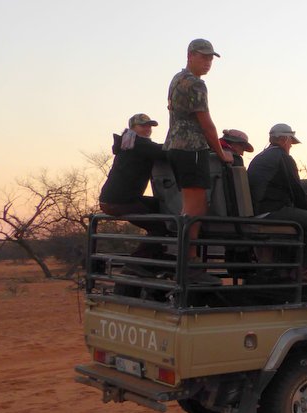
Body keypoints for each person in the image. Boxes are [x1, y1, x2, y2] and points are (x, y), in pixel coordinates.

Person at [165, 38, 233, 279]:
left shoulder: (177, 79)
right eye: (203, 57)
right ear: (190, 55)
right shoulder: (195, 84)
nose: (207, 62)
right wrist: (220, 153)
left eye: (210, 58)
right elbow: (206, 124)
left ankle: (187, 259)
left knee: (188, 206)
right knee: (195, 208)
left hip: (174, 146)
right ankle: (190, 262)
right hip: (192, 149)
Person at [247, 123, 307, 283]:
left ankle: (285, 269)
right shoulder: (283, 158)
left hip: (257, 209)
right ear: (284, 139)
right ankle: (305, 270)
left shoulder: (261, 156)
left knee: (299, 217)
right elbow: (296, 190)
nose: (290, 146)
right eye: (290, 142)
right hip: (270, 210)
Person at [98, 113, 168, 260]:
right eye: (143, 125)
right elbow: (165, 152)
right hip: (118, 202)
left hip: (118, 199)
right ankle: (138, 262)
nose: (148, 128)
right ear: (132, 128)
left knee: (160, 205)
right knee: (159, 226)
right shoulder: (138, 144)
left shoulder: (129, 143)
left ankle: (156, 253)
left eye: (150, 125)